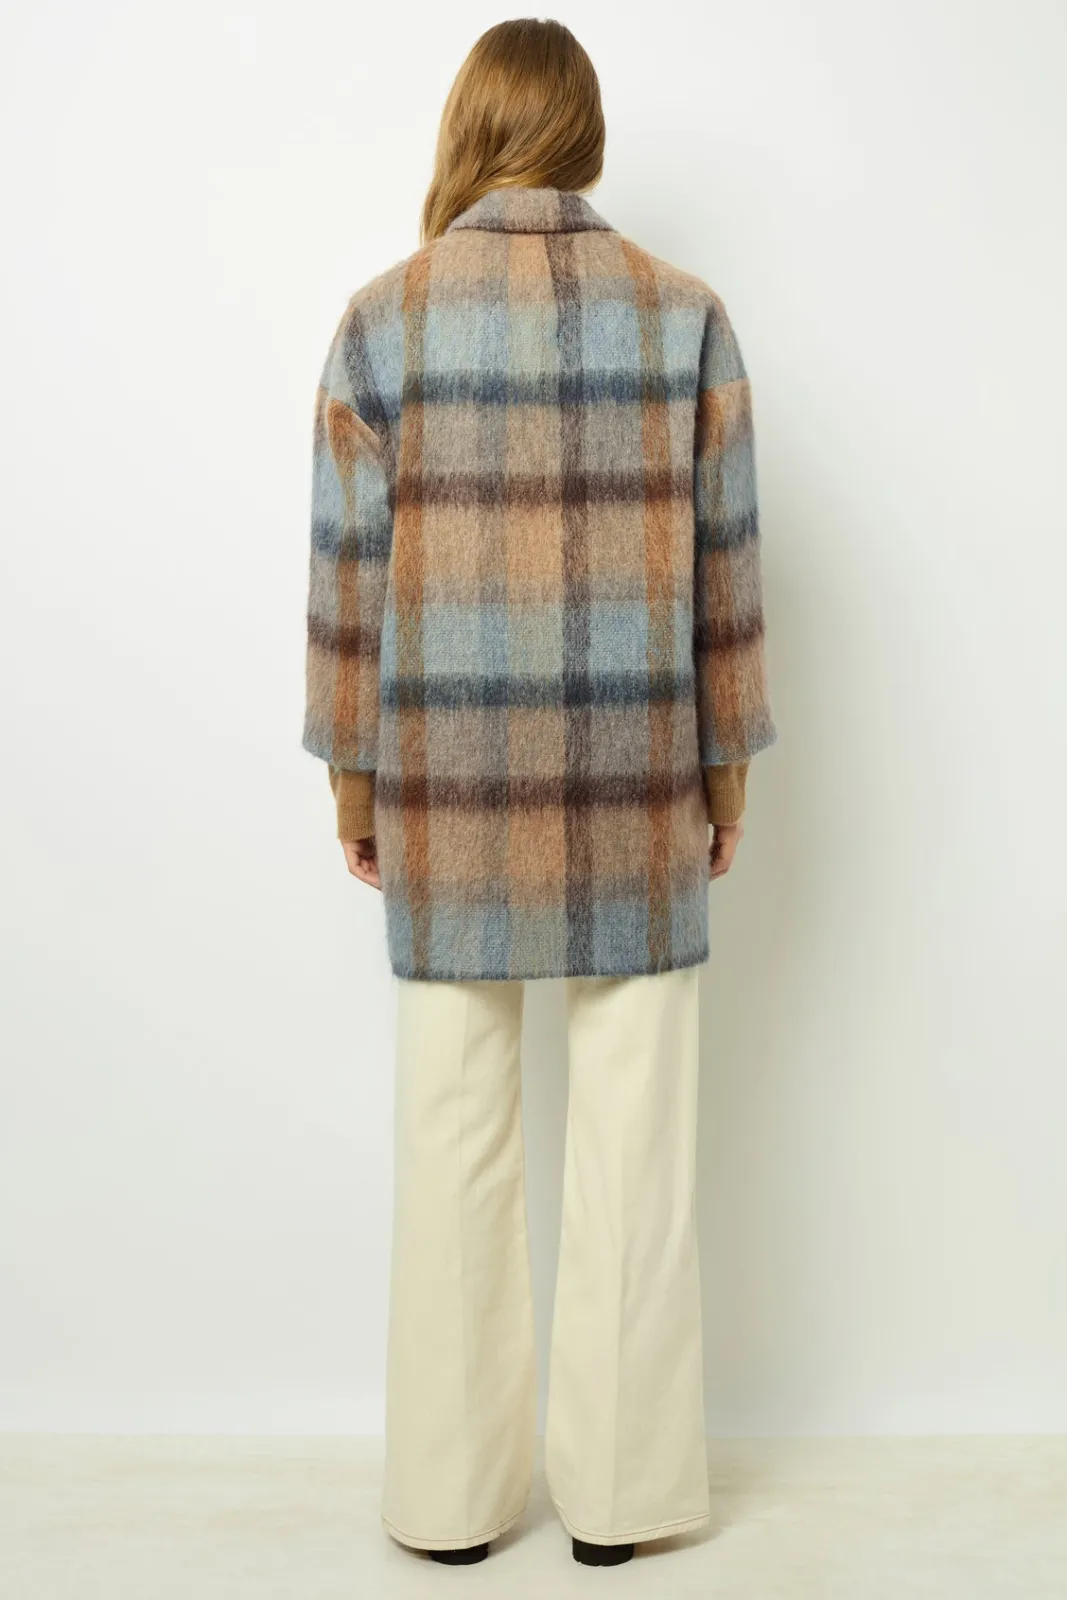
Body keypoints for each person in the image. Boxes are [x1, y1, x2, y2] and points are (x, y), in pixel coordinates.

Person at [302, 16, 775, 1569]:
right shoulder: (684, 317)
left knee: (451, 1132)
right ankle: (623, 1506)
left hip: (448, 781)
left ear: (471, 127)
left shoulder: (382, 322)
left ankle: (448, 1505)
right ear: (587, 136)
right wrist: (722, 773)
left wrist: (355, 786)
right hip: (636, 782)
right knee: (636, 1143)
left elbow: (346, 584)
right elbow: (728, 575)